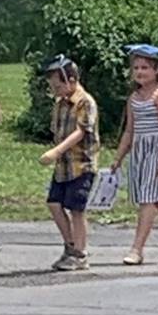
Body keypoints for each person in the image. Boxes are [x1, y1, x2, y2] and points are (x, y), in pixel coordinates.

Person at [111, 45, 158, 266]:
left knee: (148, 198)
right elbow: (129, 130)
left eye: (145, 67)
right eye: (136, 68)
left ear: (156, 70)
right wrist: (118, 157)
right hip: (140, 151)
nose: (139, 72)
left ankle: (137, 249)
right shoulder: (134, 98)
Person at [39, 55, 100, 271]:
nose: (54, 89)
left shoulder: (85, 102)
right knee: (54, 203)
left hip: (81, 164)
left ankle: (81, 252)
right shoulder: (59, 104)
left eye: (57, 84)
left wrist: (55, 151)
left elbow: (80, 132)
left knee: (76, 208)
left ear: (72, 80)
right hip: (62, 167)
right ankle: (70, 245)